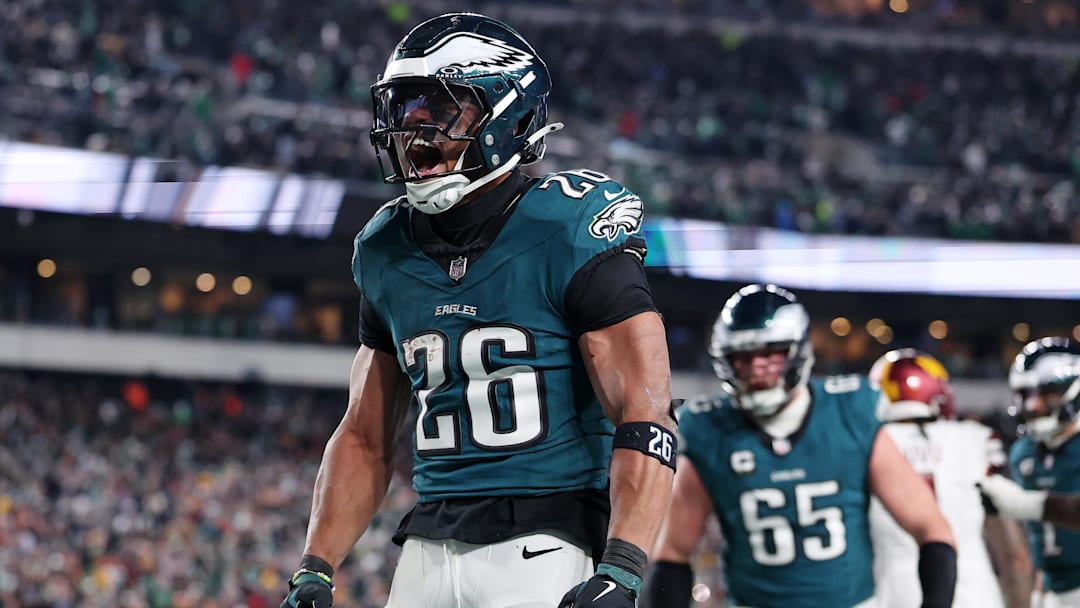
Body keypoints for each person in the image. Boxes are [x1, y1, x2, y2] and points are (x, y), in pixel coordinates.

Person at [279, 12, 677, 608]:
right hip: (427, 544)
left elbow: (646, 416)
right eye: (406, 109)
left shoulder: (569, 228)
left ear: (508, 114)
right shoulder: (386, 249)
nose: (416, 129)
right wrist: (316, 566)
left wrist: (621, 566)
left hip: (548, 541)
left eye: (440, 108)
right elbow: (364, 435)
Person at [640, 284, 957, 608]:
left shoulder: (848, 411)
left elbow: (932, 530)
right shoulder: (710, 428)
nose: (756, 368)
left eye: (770, 354)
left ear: (797, 352)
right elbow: (673, 555)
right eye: (744, 357)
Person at [867, 349, 1032, 608]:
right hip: (975, 596)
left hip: (895, 596)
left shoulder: (869, 446)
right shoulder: (975, 439)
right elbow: (1015, 557)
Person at [982, 337, 1080, 607]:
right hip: (1051, 591)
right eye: (1026, 394)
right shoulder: (1024, 452)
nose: (1033, 405)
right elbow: (1043, 538)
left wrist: (1027, 504)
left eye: (1045, 392)